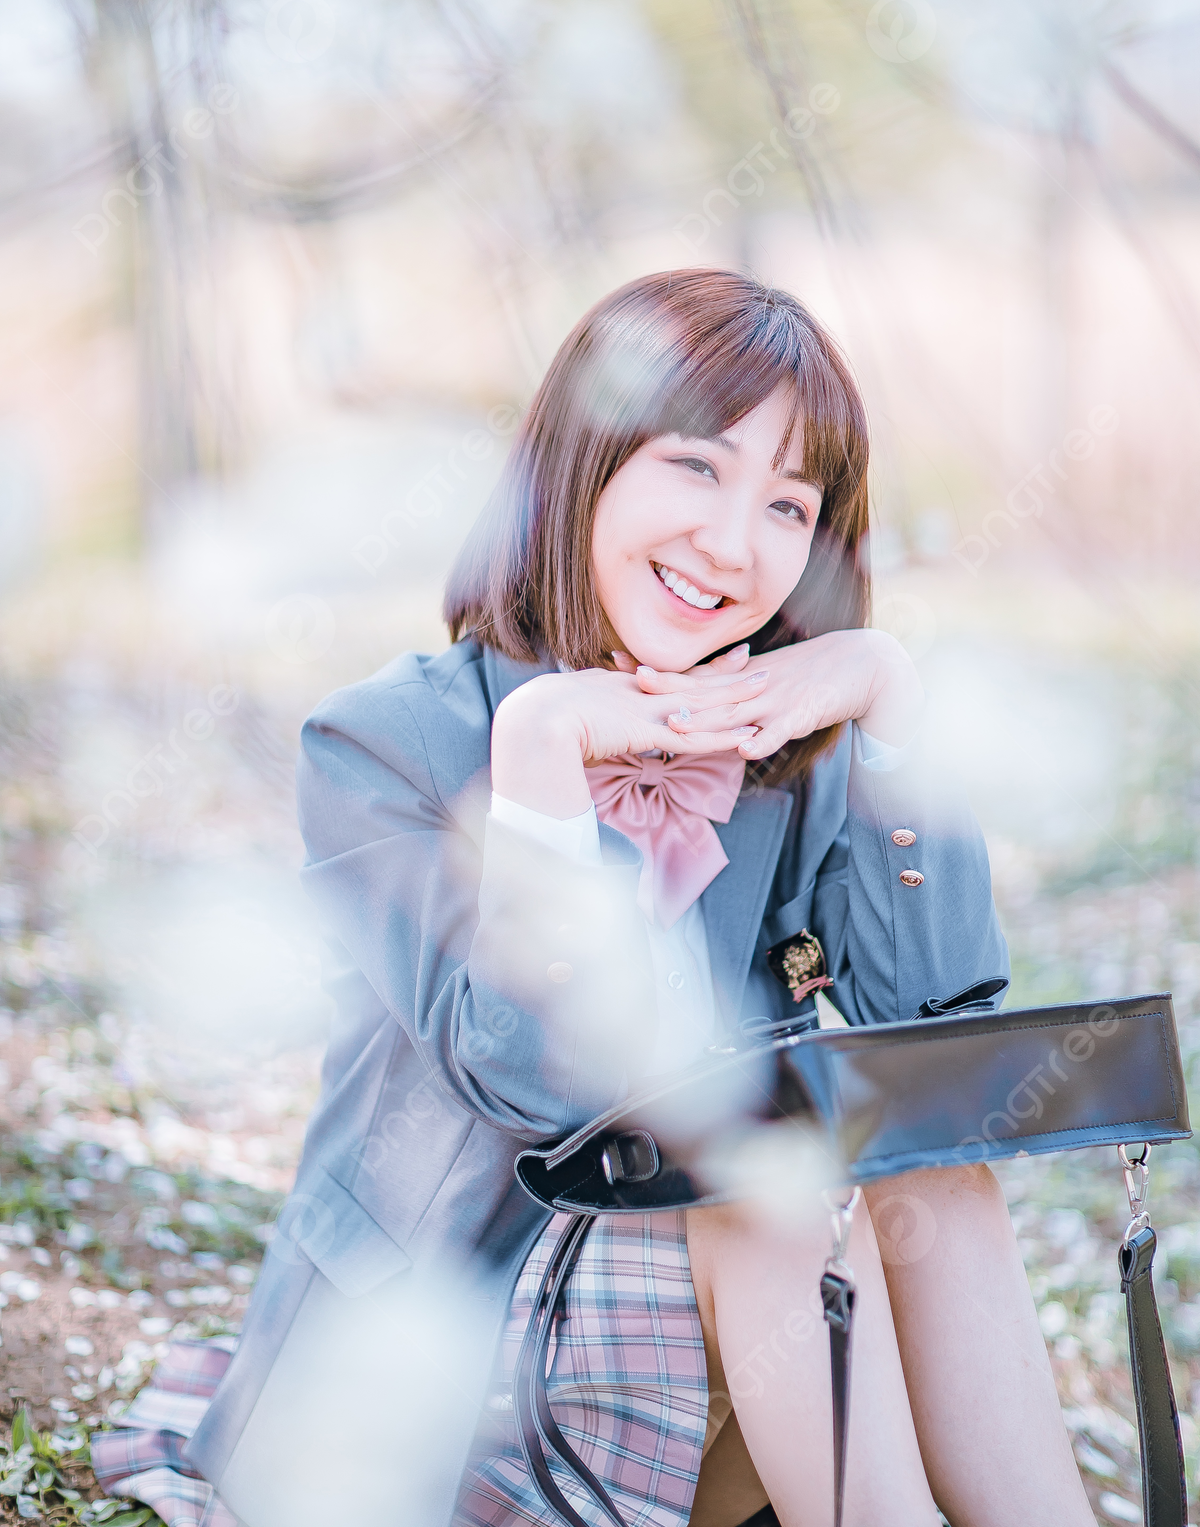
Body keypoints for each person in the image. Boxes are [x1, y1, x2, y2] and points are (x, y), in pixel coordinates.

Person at [185, 269, 1095, 1526]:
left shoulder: (787, 752)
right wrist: (549, 766)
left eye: (788, 504)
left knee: (931, 1180)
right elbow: (535, 1084)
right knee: (770, 1210)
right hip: (436, 1395)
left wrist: (890, 706)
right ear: (581, 464)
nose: (734, 546)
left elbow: (932, 1042)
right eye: (697, 469)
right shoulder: (383, 748)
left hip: (717, 1352)